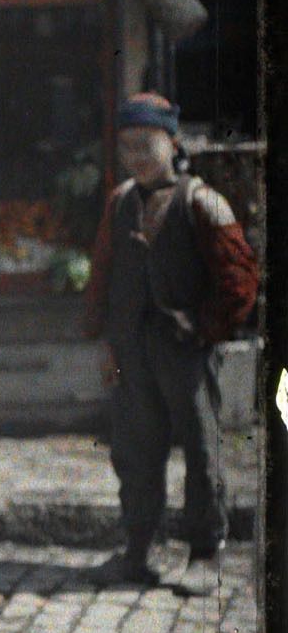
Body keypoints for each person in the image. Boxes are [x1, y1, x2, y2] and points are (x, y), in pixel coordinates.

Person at [85, 92, 258, 591]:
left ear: (173, 143)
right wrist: (104, 341)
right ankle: (139, 548)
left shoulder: (201, 202)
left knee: (201, 452)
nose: (136, 156)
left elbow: (240, 278)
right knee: (134, 451)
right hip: (131, 353)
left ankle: (204, 552)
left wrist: (206, 326)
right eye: (126, 147)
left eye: (147, 144)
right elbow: (103, 276)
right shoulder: (119, 203)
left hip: (183, 352)